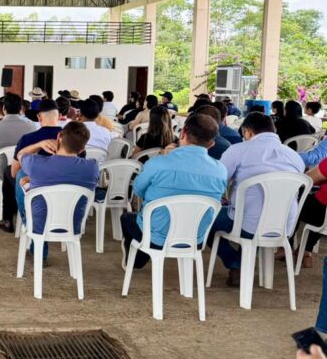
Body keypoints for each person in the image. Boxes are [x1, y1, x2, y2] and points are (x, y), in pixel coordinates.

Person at [205, 112, 306, 286]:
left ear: (247, 132)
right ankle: (245, 262)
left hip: (247, 224)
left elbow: (217, 181)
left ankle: (235, 263)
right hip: (283, 225)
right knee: (259, 217)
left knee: (204, 219)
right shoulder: (294, 156)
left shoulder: (238, 150)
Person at [121, 114, 227, 269]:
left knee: (127, 218)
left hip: (156, 236)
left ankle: (136, 261)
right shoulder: (220, 170)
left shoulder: (158, 163)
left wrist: (164, 157)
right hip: (194, 237)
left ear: (182, 133)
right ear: (211, 144)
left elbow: (138, 189)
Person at [16, 122, 100, 260]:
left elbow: (20, 154)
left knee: (20, 177)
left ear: (58, 137)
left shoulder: (36, 163)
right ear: (82, 149)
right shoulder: (92, 167)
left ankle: (38, 248)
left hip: (39, 225)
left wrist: (39, 144)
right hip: (73, 225)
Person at [0, 99, 64, 232]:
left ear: (39, 117)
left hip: (35, 186)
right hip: (65, 188)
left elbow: (15, 173)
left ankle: (8, 219)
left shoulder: (28, 139)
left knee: (8, 171)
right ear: (60, 115)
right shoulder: (71, 139)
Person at [291, 159, 327, 268]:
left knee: (293, 196)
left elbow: (307, 179)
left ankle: (286, 245)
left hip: (320, 212)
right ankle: (306, 249)